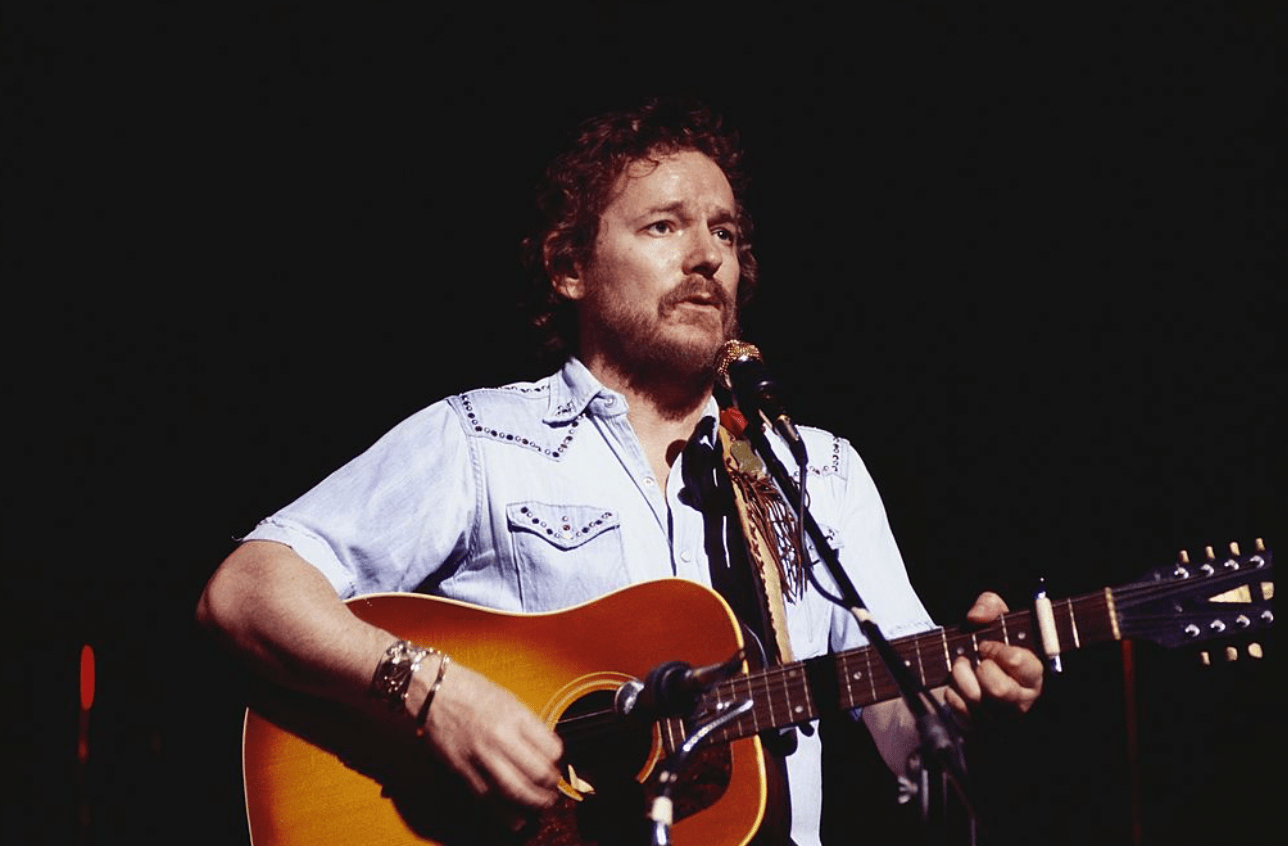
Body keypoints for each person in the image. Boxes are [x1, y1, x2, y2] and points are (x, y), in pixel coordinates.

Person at [196, 97, 1043, 846]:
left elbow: (901, 718)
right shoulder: (484, 439)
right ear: (570, 269)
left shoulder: (815, 471)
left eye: (727, 232)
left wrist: (965, 693)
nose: (708, 256)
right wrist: (432, 692)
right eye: (664, 225)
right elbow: (247, 589)